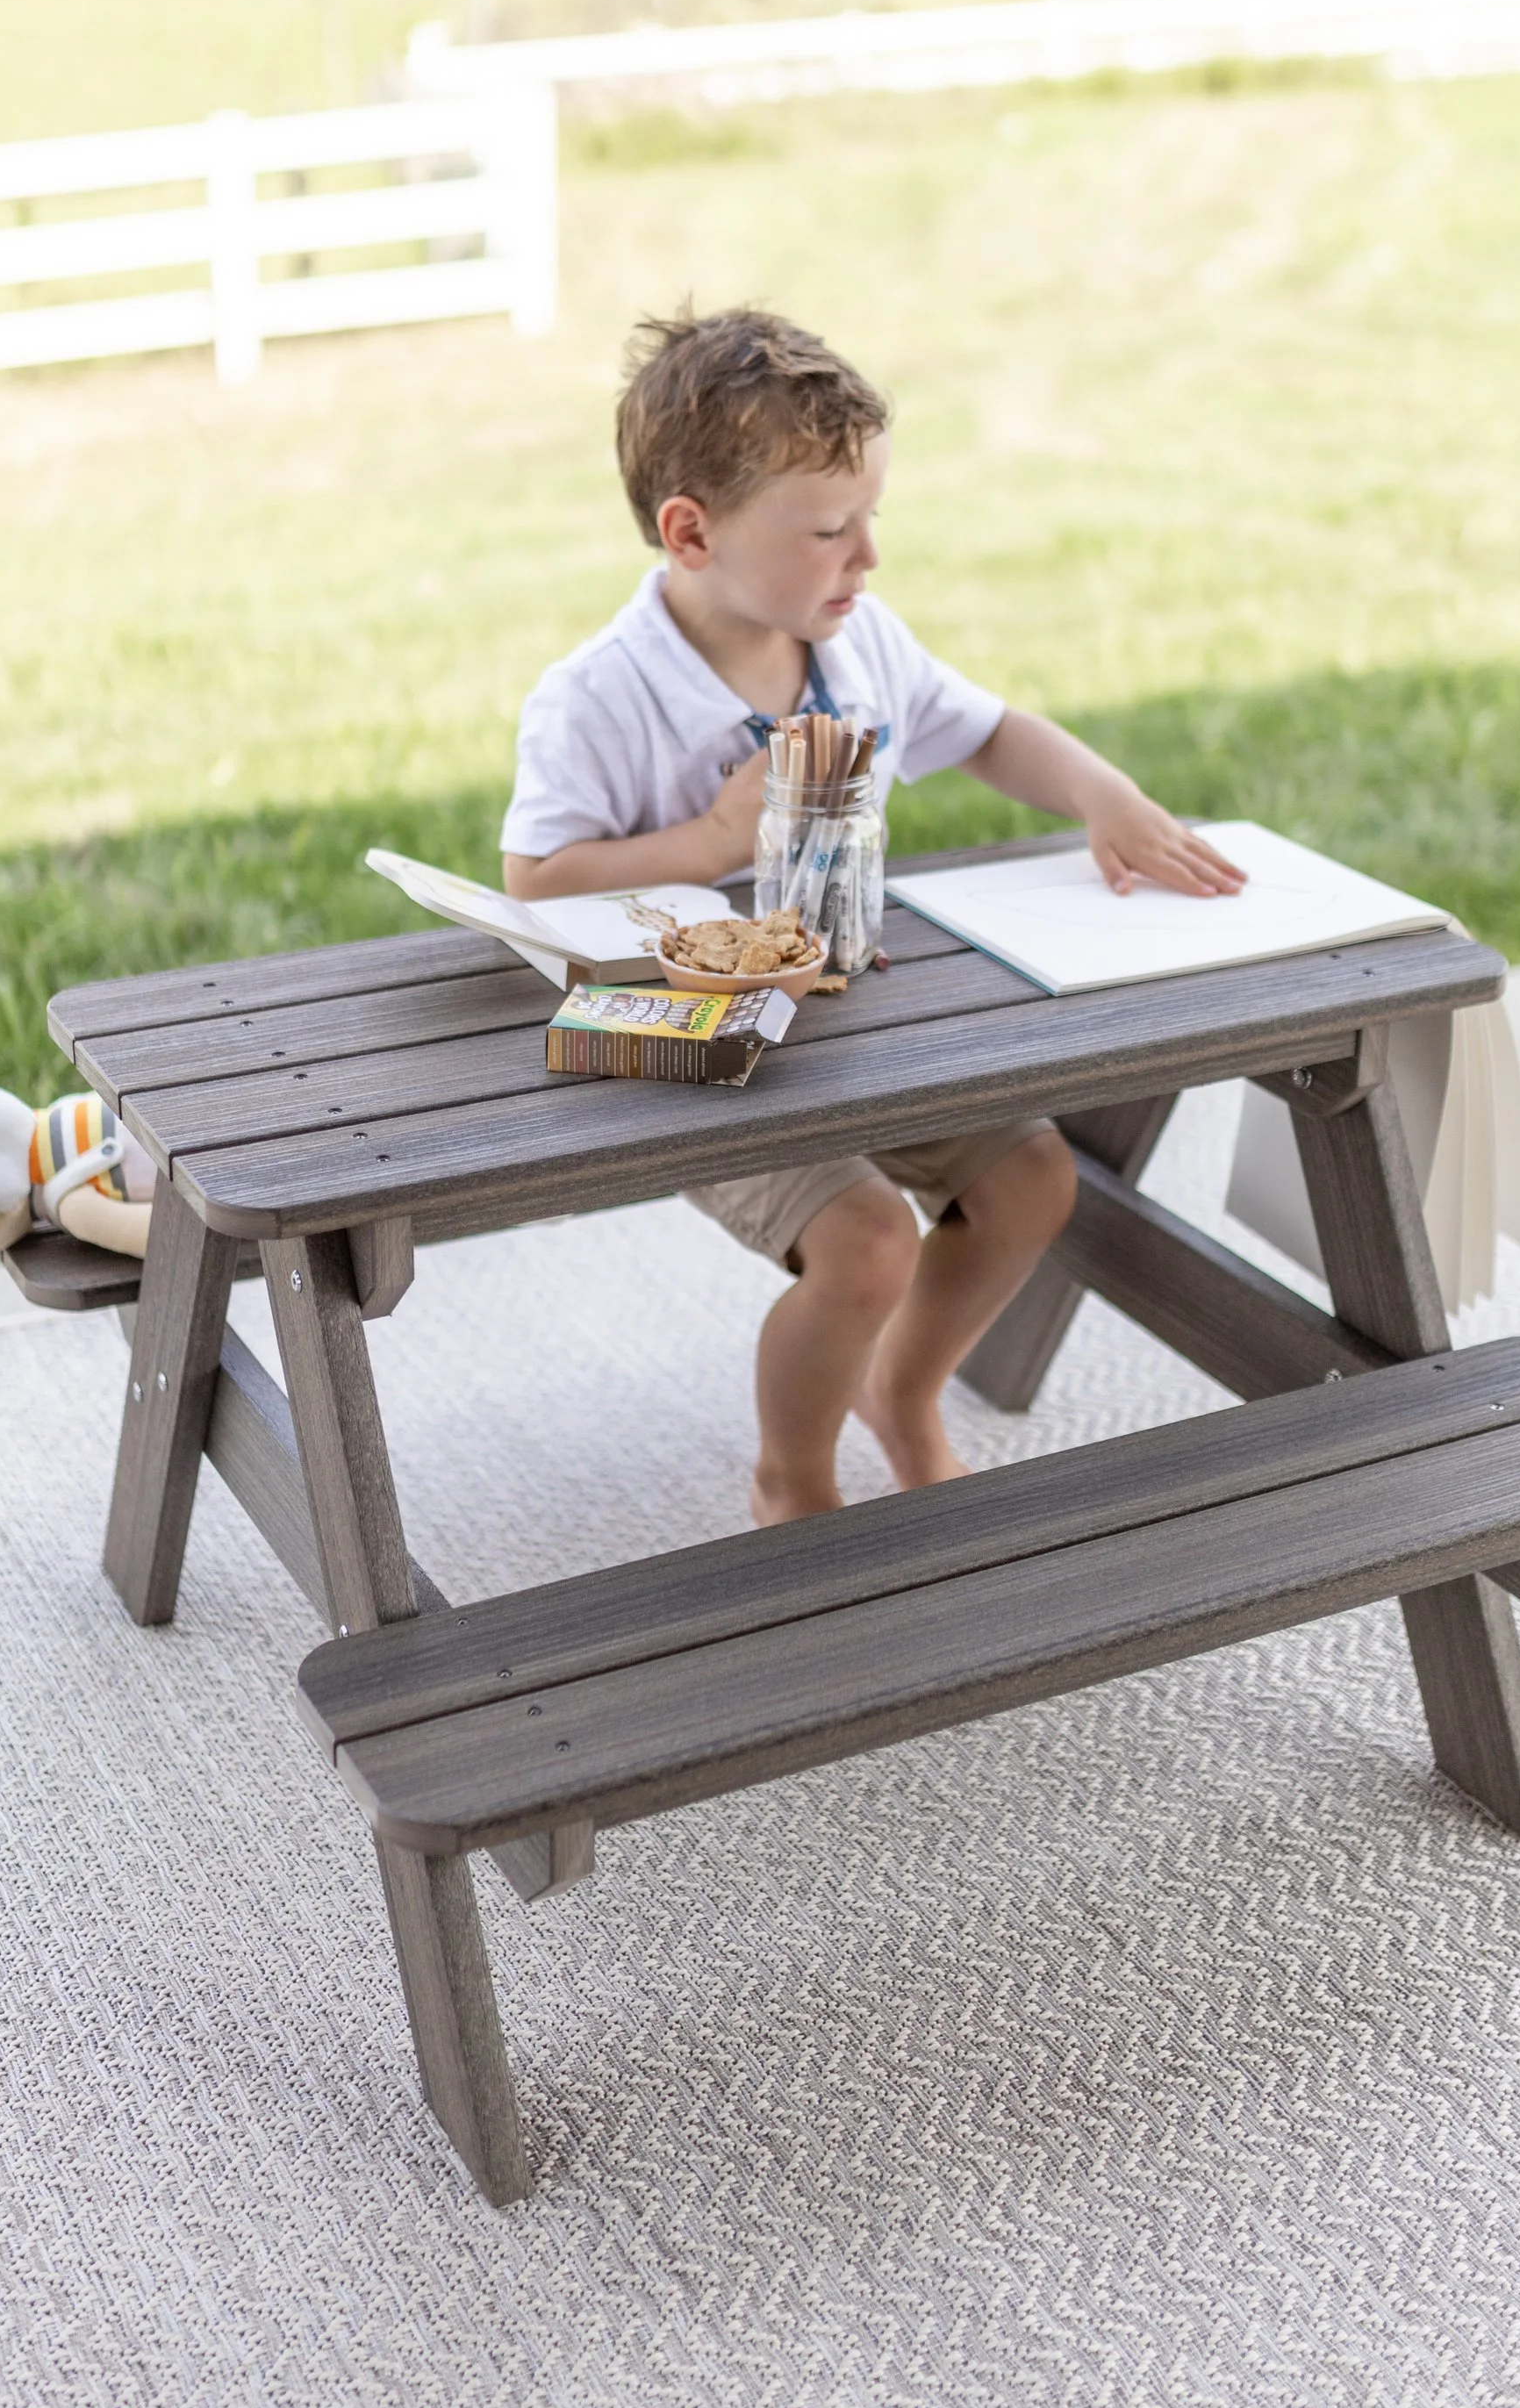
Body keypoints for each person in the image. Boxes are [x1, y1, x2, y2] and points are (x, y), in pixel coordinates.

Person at [502, 305, 1244, 1525]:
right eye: (832, 531)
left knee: (1031, 1181)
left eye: (873, 521)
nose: (868, 560)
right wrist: (710, 844)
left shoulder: (858, 642)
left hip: (856, 1014)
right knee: (866, 1243)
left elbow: (990, 730)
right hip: (696, 1045)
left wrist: (1102, 794)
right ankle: (790, 1474)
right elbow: (536, 884)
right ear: (691, 532)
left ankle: (903, 1390)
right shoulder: (599, 699)